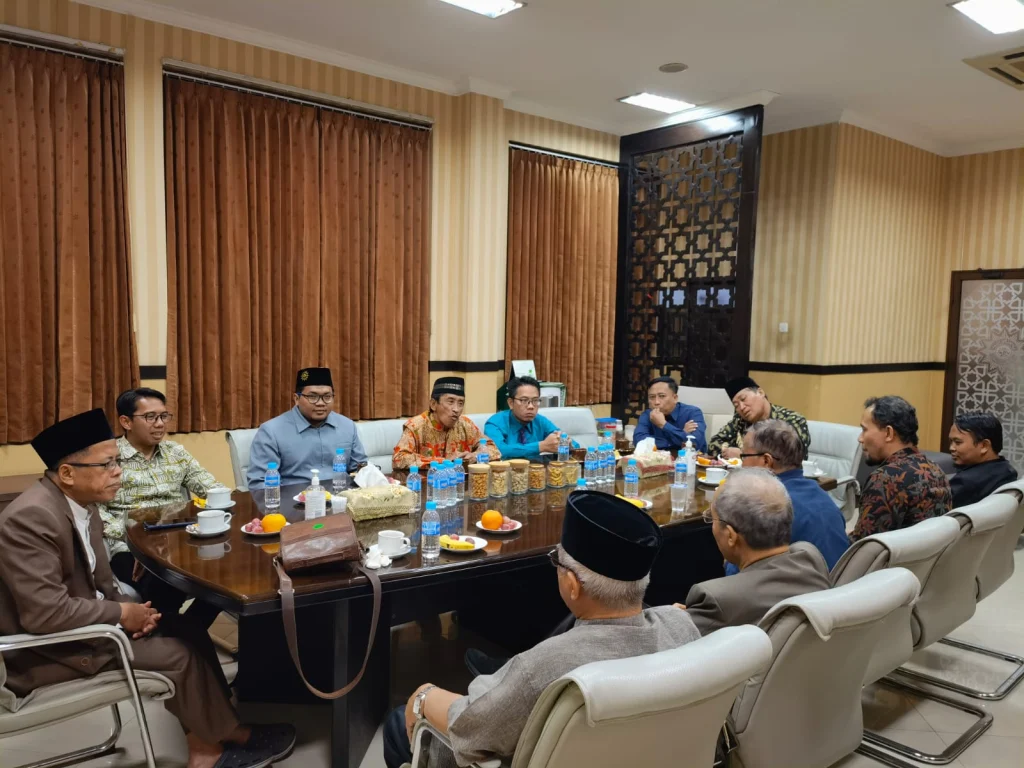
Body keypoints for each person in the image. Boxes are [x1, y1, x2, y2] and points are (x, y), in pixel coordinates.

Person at [0, 410, 294, 768]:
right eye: (107, 464)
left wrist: (136, 612)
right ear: (67, 473)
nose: (118, 472)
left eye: (117, 462)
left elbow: (102, 584)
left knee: (188, 628)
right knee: (178, 654)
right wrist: (122, 614)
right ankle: (208, 754)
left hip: (89, 627)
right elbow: (44, 613)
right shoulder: (30, 519)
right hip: (48, 652)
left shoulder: (81, 504)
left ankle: (225, 730)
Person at [382, 492, 701, 768]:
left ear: (572, 585)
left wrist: (422, 697)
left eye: (556, 561)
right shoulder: (681, 626)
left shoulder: (545, 667)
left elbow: (468, 726)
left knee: (399, 722)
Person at [679, 468, 831, 636]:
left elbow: (670, 640)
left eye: (711, 517)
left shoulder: (718, 599)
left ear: (730, 535)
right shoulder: (812, 559)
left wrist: (673, 618)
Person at [102, 388, 218, 586]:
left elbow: (210, 488)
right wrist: (137, 538)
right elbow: (95, 511)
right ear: (126, 422)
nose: (160, 424)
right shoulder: (109, 459)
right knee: (164, 584)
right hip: (129, 546)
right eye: (150, 417)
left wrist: (224, 502)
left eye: (164, 416)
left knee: (221, 572)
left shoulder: (175, 452)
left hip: (180, 540)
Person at [735, 420, 849, 570]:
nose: (742, 465)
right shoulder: (823, 497)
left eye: (744, 456)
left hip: (803, 584)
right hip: (839, 581)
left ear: (766, 461)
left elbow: (742, 570)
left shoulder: (768, 507)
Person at [850, 396, 952, 542]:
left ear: (888, 433)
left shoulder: (885, 479)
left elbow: (864, 546)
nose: (860, 438)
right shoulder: (936, 470)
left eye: (864, 430)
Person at [247, 367, 367, 490]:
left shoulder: (347, 426)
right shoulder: (271, 431)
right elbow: (260, 483)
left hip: (342, 497)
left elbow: (361, 470)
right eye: (312, 397)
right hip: (294, 499)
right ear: (296, 399)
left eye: (327, 396)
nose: (321, 403)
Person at [392, 377, 500, 470]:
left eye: (460, 403)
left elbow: (494, 450)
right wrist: (443, 461)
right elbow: (398, 459)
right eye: (450, 402)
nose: (456, 409)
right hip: (427, 483)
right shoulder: (416, 426)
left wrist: (476, 456)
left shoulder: (466, 425)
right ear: (433, 404)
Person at [709, 376, 810, 459]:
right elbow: (713, 444)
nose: (742, 407)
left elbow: (793, 457)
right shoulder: (740, 420)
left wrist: (743, 455)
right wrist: (726, 450)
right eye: (736, 405)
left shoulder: (791, 420)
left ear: (760, 392)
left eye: (743, 399)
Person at [484, 376, 577, 461]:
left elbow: (576, 445)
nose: (531, 406)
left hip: (537, 471)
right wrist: (540, 447)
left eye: (535, 400)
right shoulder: (495, 423)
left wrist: (568, 444)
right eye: (524, 400)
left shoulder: (540, 421)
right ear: (511, 403)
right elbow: (497, 451)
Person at [948, 413, 1019, 508]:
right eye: (951, 442)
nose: (951, 448)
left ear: (984, 446)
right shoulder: (1008, 470)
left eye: (958, 442)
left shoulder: (964, 483)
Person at [632, 376, 707, 452]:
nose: (656, 402)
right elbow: (639, 442)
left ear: (675, 398)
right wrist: (682, 435)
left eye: (662, 396)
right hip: (658, 459)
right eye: (652, 397)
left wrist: (663, 424)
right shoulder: (647, 415)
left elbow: (695, 444)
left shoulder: (693, 412)